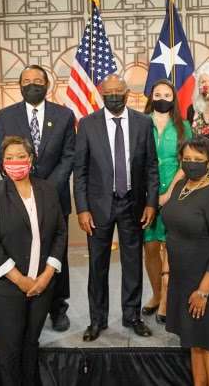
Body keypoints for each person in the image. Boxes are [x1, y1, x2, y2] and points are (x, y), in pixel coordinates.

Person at [74, 74, 159, 341]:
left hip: (133, 203)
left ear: (127, 93)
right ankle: (97, 320)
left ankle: (132, 316)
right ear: (101, 94)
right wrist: (82, 208)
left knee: (132, 263)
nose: (113, 97)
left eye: (117, 92)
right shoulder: (87, 124)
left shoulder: (143, 123)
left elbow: (151, 166)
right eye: (108, 93)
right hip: (98, 206)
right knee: (97, 265)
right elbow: (80, 171)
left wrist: (151, 202)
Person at [0, 64, 76, 332]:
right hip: (17, 198)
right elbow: (1, 156)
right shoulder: (5, 116)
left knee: (56, 252)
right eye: (26, 80)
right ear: (19, 85)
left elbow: (69, 156)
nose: (32, 85)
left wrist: (46, 189)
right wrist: (24, 185)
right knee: (22, 249)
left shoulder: (64, 115)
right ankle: (24, 298)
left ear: (47, 84)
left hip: (54, 196)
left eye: (38, 81)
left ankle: (58, 307)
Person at [0, 136, 67, 386]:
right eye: (9, 158)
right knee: (10, 349)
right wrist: (20, 280)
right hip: (4, 287)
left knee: (31, 344)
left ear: (30, 159)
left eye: (20, 156)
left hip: (42, 284)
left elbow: (60, 233)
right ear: (2, 163)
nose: (15, 161)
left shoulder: (47, 189)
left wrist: (46, 275)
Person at [162, 135, 209, 386]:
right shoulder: (180, 186)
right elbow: (172, 233)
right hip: (184, 280)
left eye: (198, 159)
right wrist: (167, 273)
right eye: (186, 158)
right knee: (195, 342)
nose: (191, 163)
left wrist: (203, 292)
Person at [142, 79, 191, 324]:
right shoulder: (141, 123)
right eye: (158, 94)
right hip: (146, 196)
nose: (162, 98)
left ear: (174, 99)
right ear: (151, 97)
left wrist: (169, 193)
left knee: (169, 247)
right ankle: (156, 294)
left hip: (175, 192)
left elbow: (186, 162)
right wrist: (149, 197)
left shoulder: (184, 126)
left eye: (167, 95)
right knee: (150, 246)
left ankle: (168, 299)